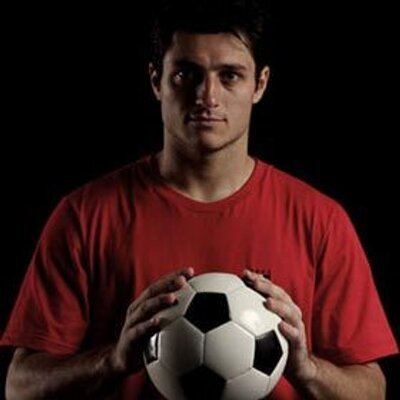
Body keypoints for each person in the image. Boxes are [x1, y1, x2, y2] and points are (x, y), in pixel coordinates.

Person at [1, 1, 398, 399]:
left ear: (259, 84)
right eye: (186, 74)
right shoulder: (85, 215)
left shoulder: (319, 220)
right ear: (157, 81)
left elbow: (372, 391)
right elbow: (20, 387)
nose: (207, 96)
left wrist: (308, 371)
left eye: (229, 76)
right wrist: (112, 360)